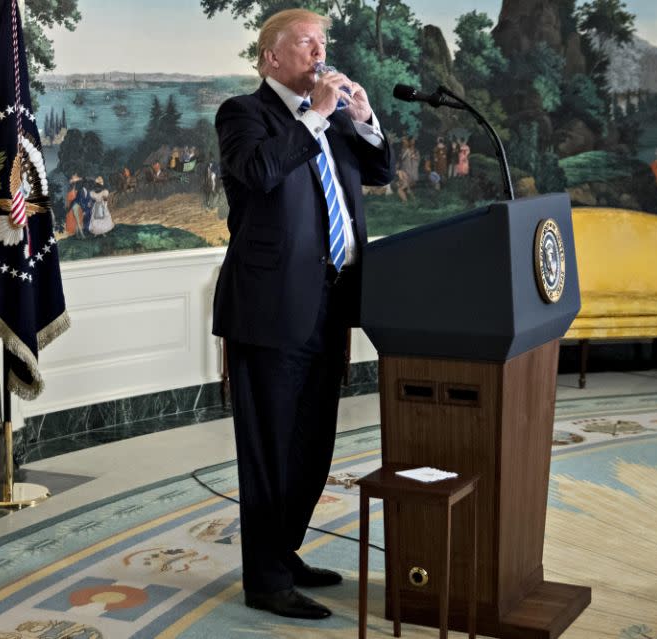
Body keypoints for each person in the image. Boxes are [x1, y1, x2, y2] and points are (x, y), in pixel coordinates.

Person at [211, 8, 393, 621]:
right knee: (269, 450)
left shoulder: (335, 119)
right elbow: (260, 173)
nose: (320, 52)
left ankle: (284, 553)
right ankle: (264, 580)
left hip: (330, 305)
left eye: (324, 42)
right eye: (306, 42)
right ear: (271, 58)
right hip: (267, 312)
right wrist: (313, 115)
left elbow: (381, 171)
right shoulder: (243, 115)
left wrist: (363, 120)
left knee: (312, 446)